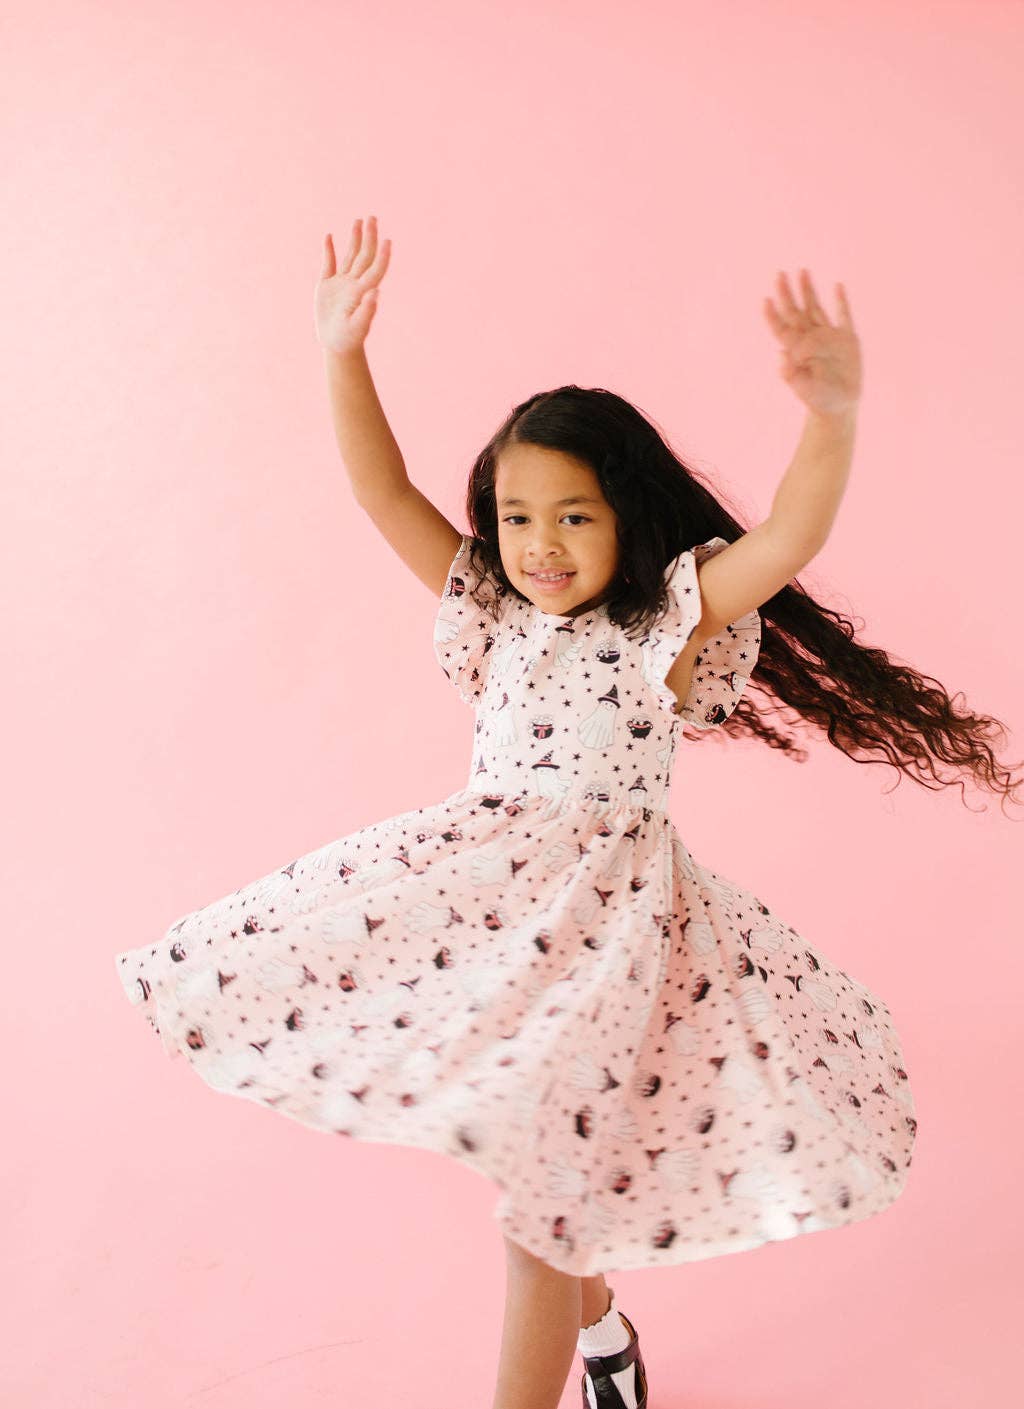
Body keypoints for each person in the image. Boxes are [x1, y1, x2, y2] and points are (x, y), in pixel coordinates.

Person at [114, 215, 1022, 1409]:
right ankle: (603, 1338)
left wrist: (831, 415)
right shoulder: (490, 610)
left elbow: (788, 535)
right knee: (547, 1181)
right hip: (483, 898)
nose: (539, 545)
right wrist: (343, 353)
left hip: (614, 930)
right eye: (516, 516)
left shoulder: (670, 620)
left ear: (628, 519)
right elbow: (380, 486)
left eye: (575, 516)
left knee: (543, 1190)